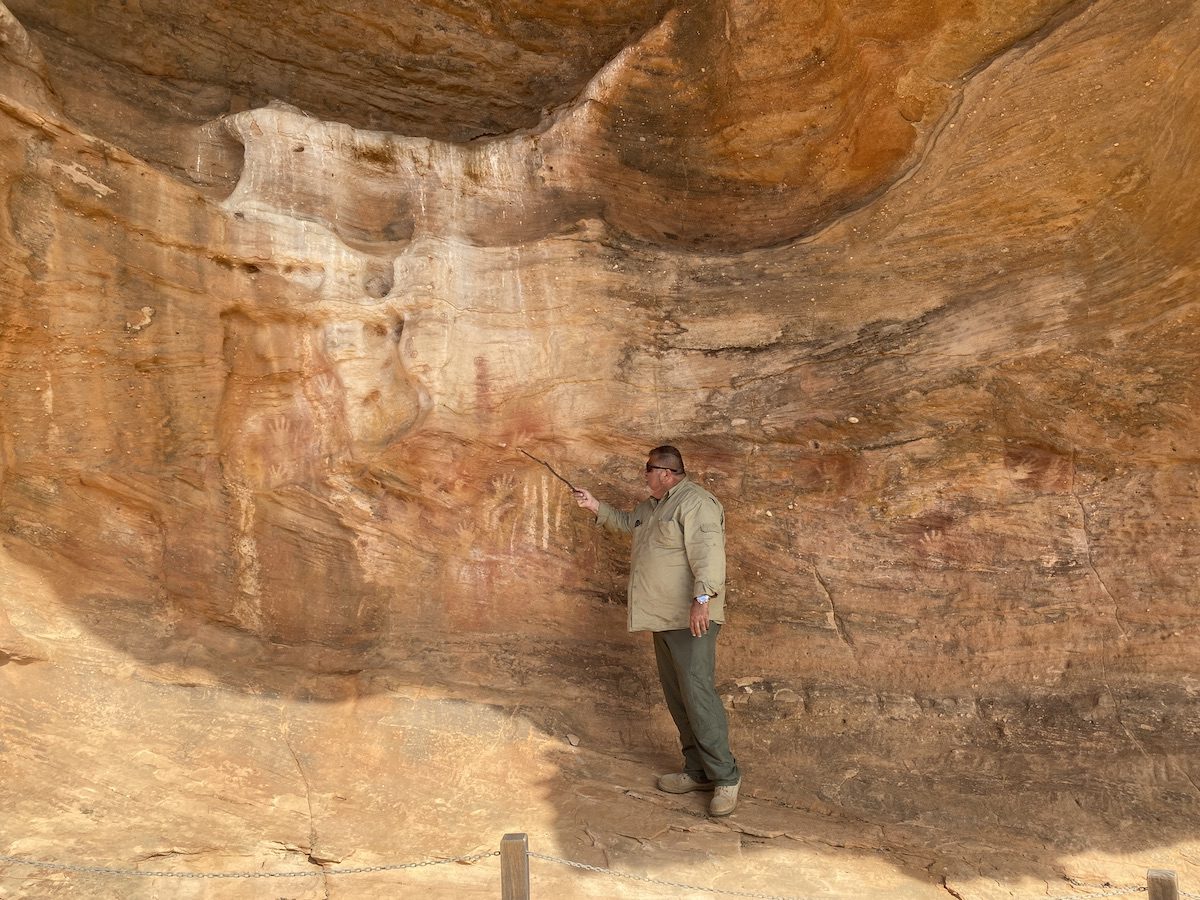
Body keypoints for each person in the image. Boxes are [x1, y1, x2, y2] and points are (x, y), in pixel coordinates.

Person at [573, 445, 741, 816]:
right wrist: (594, 505)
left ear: (666, 472)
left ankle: (725, 778)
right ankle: (697, 771)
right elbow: (626, 522)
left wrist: (702, 599)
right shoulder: (653, 507)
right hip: (662, 617)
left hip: (691, 617)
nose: (644, 475)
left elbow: (708, 551)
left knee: (697, 693)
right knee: (678, 696)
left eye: (648, 469)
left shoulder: (695, 502)